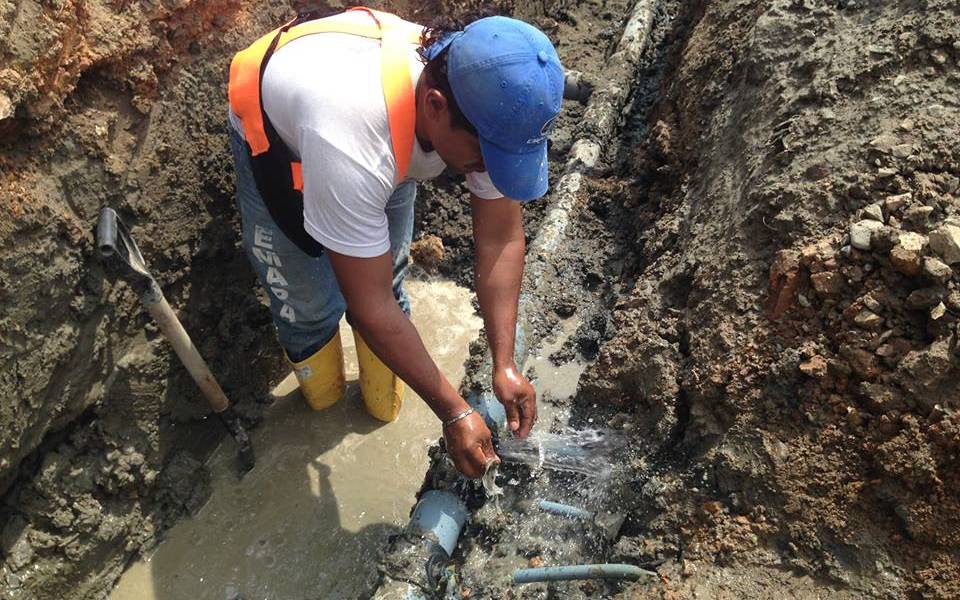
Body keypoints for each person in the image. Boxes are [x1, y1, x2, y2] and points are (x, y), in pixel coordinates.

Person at [227, 7, 564, 479]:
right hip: (281, 136)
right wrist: (454, 411)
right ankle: (322, 405)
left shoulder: (488, 108)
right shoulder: (356, 142)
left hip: (379, 135)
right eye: (484, 158)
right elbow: (369, 305)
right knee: (308, 303)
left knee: (390, 273)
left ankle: (380, 402)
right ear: (435, 106)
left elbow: (501, 236)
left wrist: (503, 363)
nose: (489, 171)